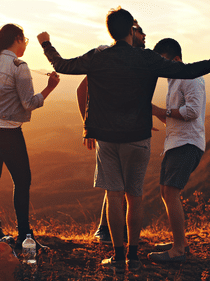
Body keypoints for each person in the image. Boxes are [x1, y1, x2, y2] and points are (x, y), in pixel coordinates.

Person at [37, 7, 210, 273]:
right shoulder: (146, 59)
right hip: (138, 137)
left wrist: (46, 44)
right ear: (131, 31)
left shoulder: (98, 57)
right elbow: (190, 70)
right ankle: (134, 256)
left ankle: (118, 258)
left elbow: (63, 65)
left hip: (108, 138)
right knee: (135, 197)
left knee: (114, 196)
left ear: (111, 30)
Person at [0, 23, 60, 249]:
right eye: (25, 41)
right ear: (17, 39)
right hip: (7, 128)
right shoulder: (19, 65)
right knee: (22, 179)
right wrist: (50, 87)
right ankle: (25, 236)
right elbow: (29, 103)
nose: (25, 46)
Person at [76, 20, 147, 244]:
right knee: (116, 186)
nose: (145, 36)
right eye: (140, 31)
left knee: (119, 185)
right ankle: (106, 231)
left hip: (125, 130)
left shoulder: (133, 60)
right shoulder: (107, 55)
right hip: (109, 131)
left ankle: (113, 233)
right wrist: (88, 125)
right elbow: (82, 88)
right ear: (130, 32)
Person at [147, 38, 207, 262]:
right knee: (165, 192)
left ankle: (179, 250)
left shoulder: (189, 77)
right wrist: (155, 112)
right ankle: (179, 242)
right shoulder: (174, 80)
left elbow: (191, 111)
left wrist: (162, 110)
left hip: (187, 143)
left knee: (171, 193)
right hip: (176, 142)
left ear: (177, 59)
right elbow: (174, 117)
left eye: (163, 61)